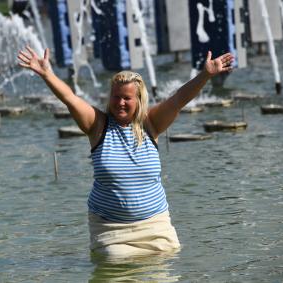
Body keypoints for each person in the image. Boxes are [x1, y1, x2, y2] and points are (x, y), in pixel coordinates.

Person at [17, 46, 234, 259]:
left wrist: (205, 75)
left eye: (127, 98)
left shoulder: (151, 123)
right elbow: (70, 99)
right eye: (116, 97)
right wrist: (47, 74)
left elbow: (179, 99)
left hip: (156, 226)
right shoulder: (97, 125)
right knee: (115, 261)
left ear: (139, 100)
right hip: (111, 230)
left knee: (166, 264)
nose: (120, 103)